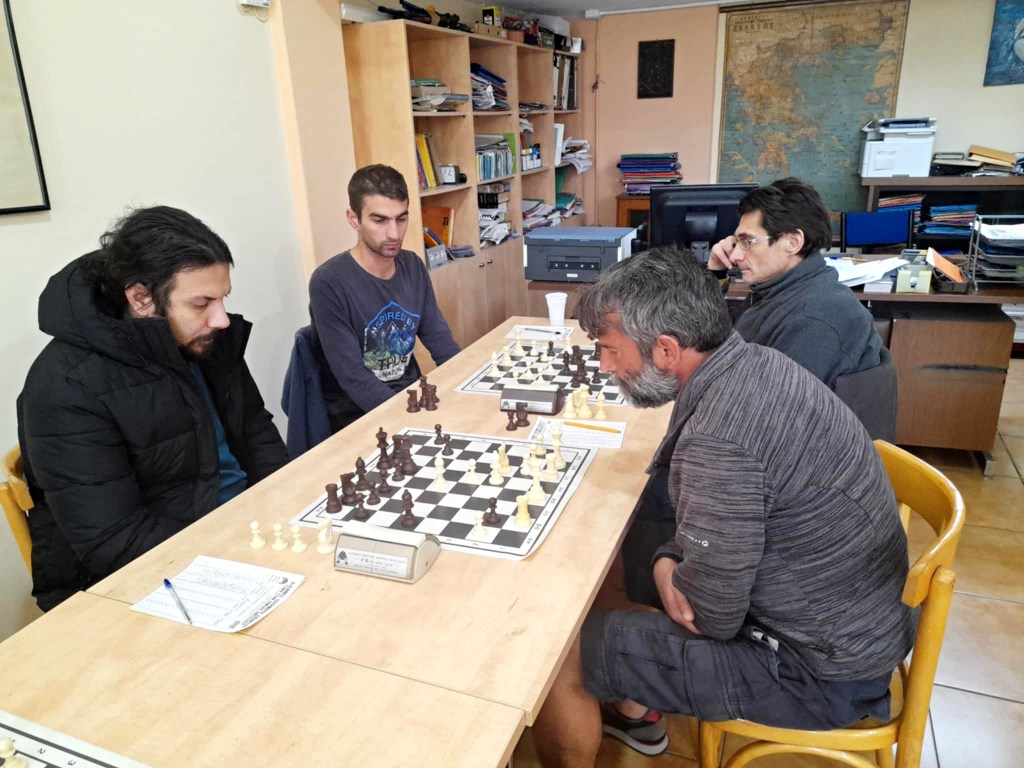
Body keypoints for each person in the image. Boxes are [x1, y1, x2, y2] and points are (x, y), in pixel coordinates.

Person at [532, 249, 915, 766]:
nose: (604, 366)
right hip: (854, 628)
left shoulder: (720, 440)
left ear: (666, 350)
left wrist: (667, 564)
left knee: (554, 653)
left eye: (609, 350)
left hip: (816, 673)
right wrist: (670, 560)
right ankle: (634, 708)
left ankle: (615, 696)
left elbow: (710, 616)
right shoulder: (758, 362)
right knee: (636, 558)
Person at [17, 206, 289, 612]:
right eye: (201, 303)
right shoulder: (64, 387)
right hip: (157, 576)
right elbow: (116, 544)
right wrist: (238, 548)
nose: (221, 319)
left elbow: (255, 430)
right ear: (141, 297)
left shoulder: (206, 340)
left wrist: (288, 505)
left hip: (245, 532)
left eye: (222, 299)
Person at [309, 164, 460, 433]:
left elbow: (440, 342)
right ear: (353, 219)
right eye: (379, 221)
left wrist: (467, 384)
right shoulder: (328, 282)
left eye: (401, 219)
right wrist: (408, 418)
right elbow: (353, 377)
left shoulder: (413, 265)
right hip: (358, 418)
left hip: (411, 401)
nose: (394, 233)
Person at [707, 177, 882, 388]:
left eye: (747, 242)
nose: (735, 256)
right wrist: (716, 273)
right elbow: (717, 336)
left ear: (793, 242)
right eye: (736, 242)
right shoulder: (776, 290)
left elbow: (772, 404)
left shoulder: (814, 319)